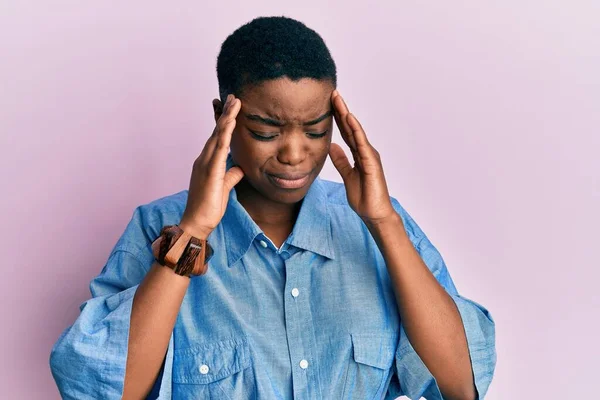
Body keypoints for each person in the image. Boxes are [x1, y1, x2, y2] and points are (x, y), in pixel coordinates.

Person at [49, 16, 496, 400]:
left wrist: (382, 222)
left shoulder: (378, 227)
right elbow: (102, 388)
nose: (295, 153)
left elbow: (461, 385)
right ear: (223, 115)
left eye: (317, 130)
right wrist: (195, 230)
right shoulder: (157, 226)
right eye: (267, 131)